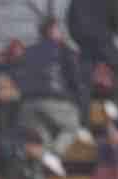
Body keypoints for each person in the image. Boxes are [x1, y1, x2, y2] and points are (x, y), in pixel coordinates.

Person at [15, 17, 91, 156]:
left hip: (27, 106)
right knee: (72, 127)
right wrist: (83, 117)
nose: (61, 33)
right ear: (52, 31)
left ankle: (44, 163)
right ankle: (53, 154)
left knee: (44, 136)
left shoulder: (28, 51)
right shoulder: (63, 50)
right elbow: (77, 81)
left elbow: (19, 78)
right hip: (53, 101)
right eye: (59, 29)